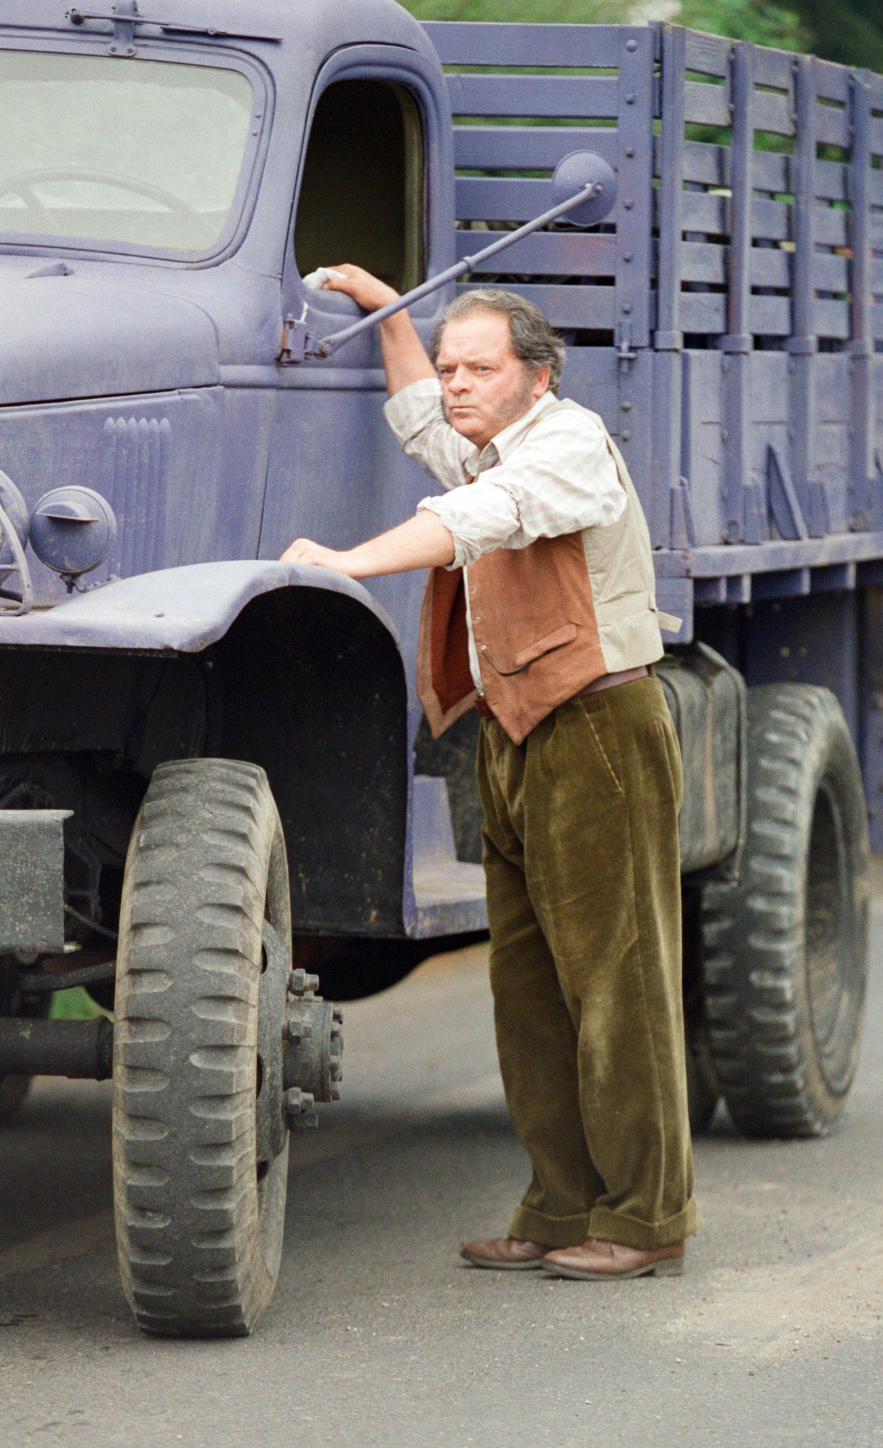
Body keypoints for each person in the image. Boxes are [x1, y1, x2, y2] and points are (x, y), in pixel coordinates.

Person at [282, 266, 701, 1280]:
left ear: (538, 374)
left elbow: (480, 519)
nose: (458, 383)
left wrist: (344, 563)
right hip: (512, 732)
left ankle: (647, 1218)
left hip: (597, 725)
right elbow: (419, 413)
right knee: (527, 987)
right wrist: (388, 310)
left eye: (480, 367)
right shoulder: (484, 438)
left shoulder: (565, 446)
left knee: (619, 984)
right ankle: (558, 1206)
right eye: (453, 364)